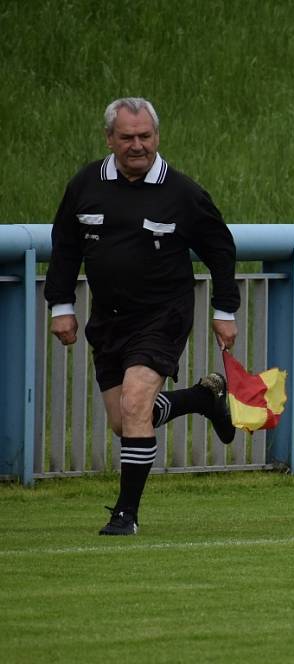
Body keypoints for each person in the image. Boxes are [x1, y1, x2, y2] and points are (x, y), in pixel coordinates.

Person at [45, 97, 240, 536]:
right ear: (110, 138)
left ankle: (125, 515)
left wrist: (224, 310)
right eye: (128, 137)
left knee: (136, 404)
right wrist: (62, 306)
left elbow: (221, 251)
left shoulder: (183, 193)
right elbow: (65, 246)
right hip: (108, 320)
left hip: (163, 315)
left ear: (157, 137)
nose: (138, 145)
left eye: (145, 136)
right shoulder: (85, 185)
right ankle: (202, 399)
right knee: (126, 421)